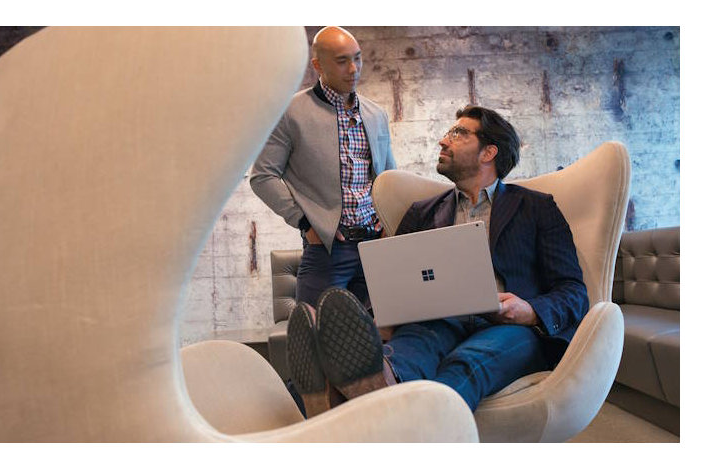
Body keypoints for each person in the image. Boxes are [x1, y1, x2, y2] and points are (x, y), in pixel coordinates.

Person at [286, 105, 589, 417]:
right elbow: (392, 279)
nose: (444, 141)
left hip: (510, 329)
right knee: (403, 354)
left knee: (467, 363)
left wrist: (529, 311)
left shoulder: (537, 207)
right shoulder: (422, 212)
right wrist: (381, 317)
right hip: (436, 320)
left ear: (489, 152)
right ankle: (376, 388)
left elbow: (573, 290)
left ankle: (356, 407)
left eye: (458, 134)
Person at [250, 26, 396, 308]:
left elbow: (389, 177)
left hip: (375, 246)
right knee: (319, 338)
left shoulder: (376, 114)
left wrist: (389, 219)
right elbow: (263, 177)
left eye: (358, 58)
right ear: (318, 65)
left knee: (379, 339)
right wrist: (305, 224)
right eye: (342, 61)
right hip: (328, 249)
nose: (353, 69)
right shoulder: (289, 112)